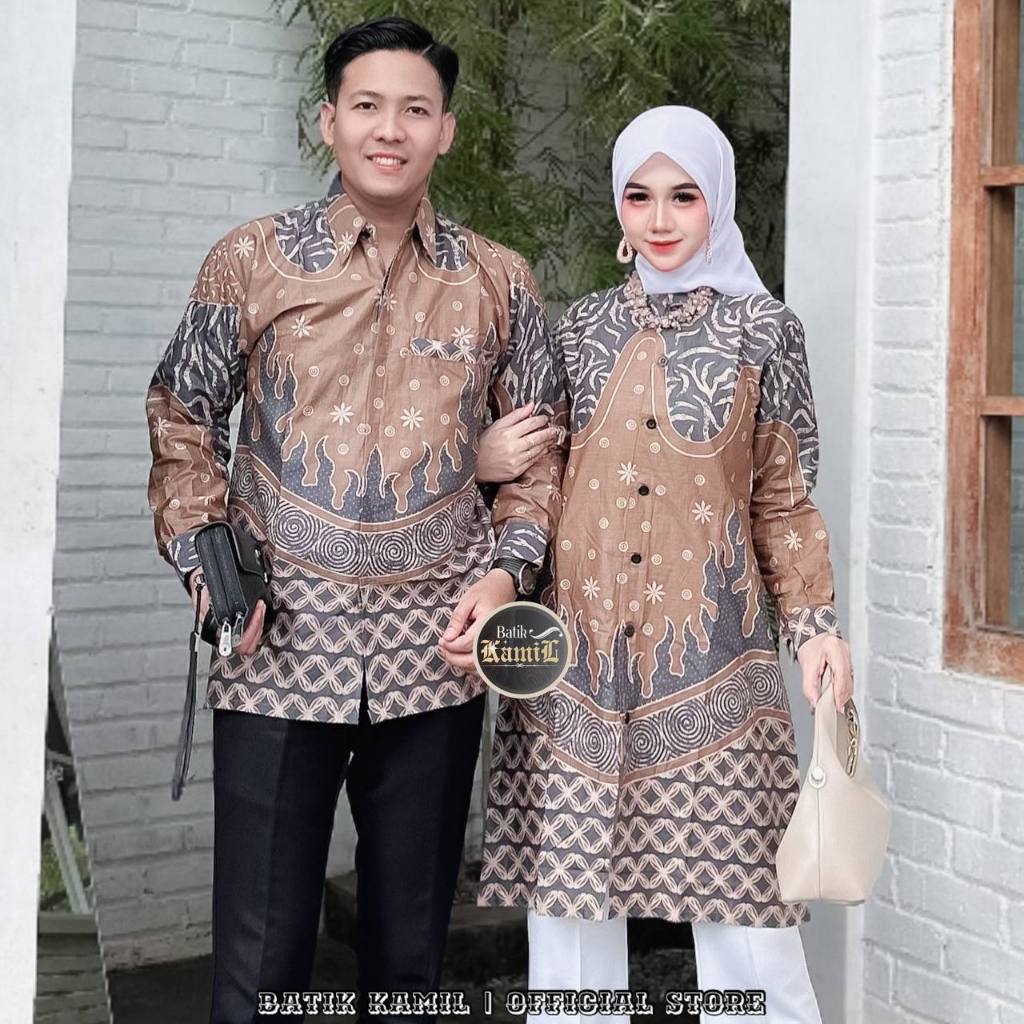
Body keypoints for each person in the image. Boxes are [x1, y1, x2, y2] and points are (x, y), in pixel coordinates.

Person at [144, 15, 564, 1022]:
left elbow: (540, 464)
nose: (390, 128)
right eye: (367, 105)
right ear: (328, 120)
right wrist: (208, 560)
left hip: (437, 650)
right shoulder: (251, 260)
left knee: (408, 956)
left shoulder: (498, 280)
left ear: (445, 131)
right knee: (260, 960)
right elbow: (182, 414)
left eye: (415, 109)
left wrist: (504, 575)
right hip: (277, 647)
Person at [475, 105, 855, 1023]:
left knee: (747, 923)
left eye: (684, 196)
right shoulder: (576, 330)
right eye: (639, 196)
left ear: (717, 200)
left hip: (714, 667)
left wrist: (815, 628)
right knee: (570, 924)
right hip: (577, 669)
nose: (659, 218)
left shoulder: (765, 331)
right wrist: (503, 577)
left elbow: (781, 496)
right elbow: (539, 483)